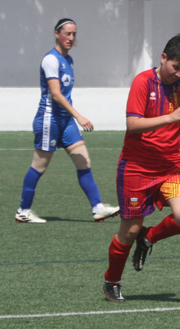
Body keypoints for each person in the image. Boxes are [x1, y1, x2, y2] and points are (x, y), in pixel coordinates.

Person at [102, 34, 180, 303]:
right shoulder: (143, 82)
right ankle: (112, 280)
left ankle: (149, 238)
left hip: (169, 165)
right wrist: (171, 117)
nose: (178, 74)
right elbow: (132, 124)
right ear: (163, 58)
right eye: (175, 67)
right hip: (136, 167)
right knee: (129, 231)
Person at [15, 18, 119, 223]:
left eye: (74, 34)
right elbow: (56, 95)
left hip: (65, 121)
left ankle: (98, 207)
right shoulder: (50, 60)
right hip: (49, 119)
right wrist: (78, 116)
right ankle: (23, 211)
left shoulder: (68, 60)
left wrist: (72, 117)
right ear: (57, 34)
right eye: (67, 34)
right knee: (39, 166)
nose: (71, 38)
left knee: (84, 161)